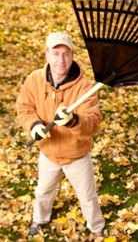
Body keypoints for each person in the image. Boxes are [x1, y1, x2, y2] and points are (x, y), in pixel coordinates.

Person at [16, 32, 105, 240]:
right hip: (48, 154)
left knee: (88, 197)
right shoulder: (35, 80)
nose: (61, 60)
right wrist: (34, 125)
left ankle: (97, 227)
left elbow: (93, 124)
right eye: (56, 54)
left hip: (77, 156)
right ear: (47, 55)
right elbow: (24, 107)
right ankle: (39, 219)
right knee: (43, 192)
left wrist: (73, 120)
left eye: (66, 54)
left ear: (72, 56)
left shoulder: (84, 87)